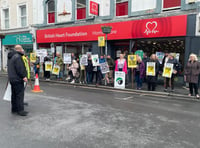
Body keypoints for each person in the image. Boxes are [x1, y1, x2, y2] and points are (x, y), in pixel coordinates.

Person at [7, 45, 28, 116]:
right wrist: (24, 76)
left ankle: (14, 109)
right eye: (22, 49)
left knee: (14, 95)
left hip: (12, 78)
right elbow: (20, 68)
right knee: (19, 95)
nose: (23, 50)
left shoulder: (11, 56)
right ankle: (20, 110)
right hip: (18, 79)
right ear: (19, 49)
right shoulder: (18, 57)